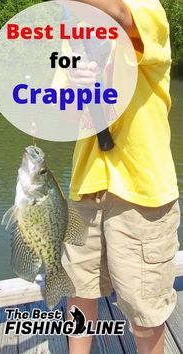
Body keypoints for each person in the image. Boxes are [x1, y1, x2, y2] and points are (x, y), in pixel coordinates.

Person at [53, 0, 181, 353]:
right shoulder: (72, 34)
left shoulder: (145, 7)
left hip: (142, 189)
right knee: (80, 288)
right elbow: (63, 120)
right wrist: (72, 92)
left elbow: (122, 17)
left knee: (144, 311)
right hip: (86, 185)